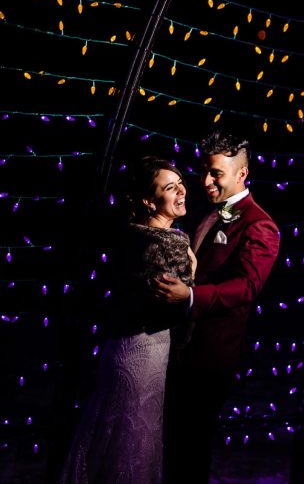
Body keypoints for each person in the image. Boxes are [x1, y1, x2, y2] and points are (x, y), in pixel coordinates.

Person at [155, 130, 280, 483]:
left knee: (191, 450)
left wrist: (190, 297)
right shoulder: (204, 213)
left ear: (242, 173)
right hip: (179, 347)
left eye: (216, 173)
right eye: (205, 171)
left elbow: (247, 287)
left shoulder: (260, 224)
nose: (206, 181)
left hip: (210, 356)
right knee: (171, 444)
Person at [61, 156, 195, 483]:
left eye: (180, 184)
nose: (180, 192)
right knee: (135, 437)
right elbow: (173, 306)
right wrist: (192, 273)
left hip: (119, 347)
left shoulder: (128, 235)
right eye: (169, 188)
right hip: (148, 349)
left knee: (108, 427)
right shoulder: (173, 241)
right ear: (150, 201)